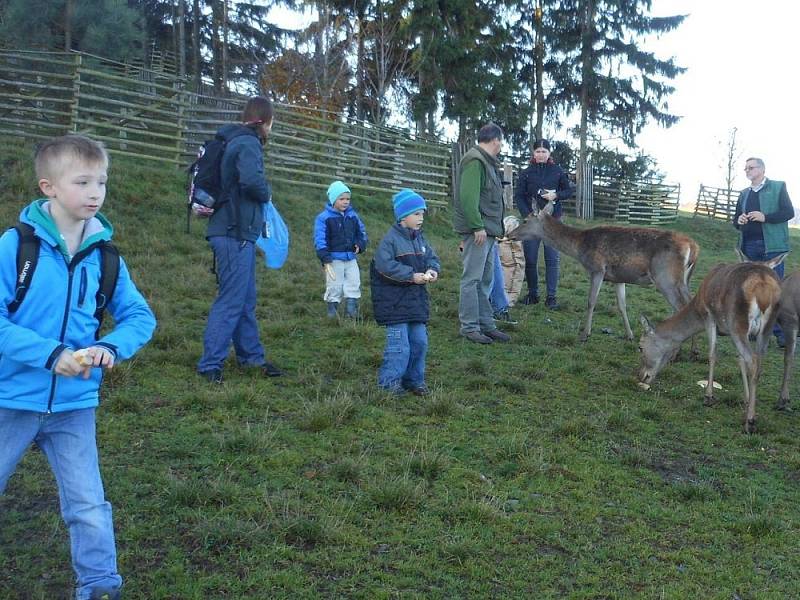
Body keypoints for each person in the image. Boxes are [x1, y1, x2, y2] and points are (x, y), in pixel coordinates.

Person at [0, 135, 156, 600]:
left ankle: (100, 586)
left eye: (102, 182)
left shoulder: (106, 255)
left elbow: (140, 317)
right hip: (10, 399)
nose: (95, 192)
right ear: (48, 186)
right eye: (82, 181)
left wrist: (110, 346)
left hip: (74, 405)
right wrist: (47, 354)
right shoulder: (15, 248)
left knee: (88, 504)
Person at [196, 96, 284, 383]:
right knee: (232, 300)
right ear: (265, 121)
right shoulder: (248, 143)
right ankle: (210, 365)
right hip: (234, 233)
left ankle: (251, 358)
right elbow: (251, 182)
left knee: (245, 299)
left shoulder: (235, 139)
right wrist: (266, 192)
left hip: (233, 231)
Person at [371, 189, 440, 396]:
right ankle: (389, 384)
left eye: (422, 214)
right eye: (416, 214)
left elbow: (432, 258)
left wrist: (432, 270)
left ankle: (414, 380)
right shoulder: (389, 241)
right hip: (394, 305)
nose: (421, 218)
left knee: (419, 343)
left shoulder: (421, 239)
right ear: (403, 217)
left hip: (416, 303)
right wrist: (412, 276)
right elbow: (384, 267)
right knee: (399, 347)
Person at [453, 122, 511, 344]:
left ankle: (486, 324)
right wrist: (477, 226)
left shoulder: (486, 162)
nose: (501, 145)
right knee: (472, 279)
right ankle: (469, 327)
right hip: (478, 231)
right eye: (501, 141)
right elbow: (468, 197)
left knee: (485, 279)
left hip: (487, 232)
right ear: (495, 140)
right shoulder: (475, 161)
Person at [733, 156, 794, 347]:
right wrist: (739, 221)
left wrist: (764, 216)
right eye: (745, 169)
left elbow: (788, 213)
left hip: (772, 248)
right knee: (752, 289)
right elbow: (735, 220)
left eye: (750, 168)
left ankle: (780, 333)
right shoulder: (744, 194)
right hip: (749, 248)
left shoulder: (778, 187)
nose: (747, 171)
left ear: (762, 169)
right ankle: (754, 328)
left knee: (775, 290)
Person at [514, 138, 574, 309]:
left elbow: (569, 190)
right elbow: (519, 195)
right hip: (532, 222)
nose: (541, 154)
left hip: (552, 221)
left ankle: (551, 297)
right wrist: (526, 214)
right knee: (530, 258)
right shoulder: (526, 173)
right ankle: (533, 293)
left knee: (552, 259)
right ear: (533, 153)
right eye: (538, 151)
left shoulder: (557, 172)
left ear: (549, 153)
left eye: (544, 151)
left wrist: (556, 196)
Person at [313, 180, 368, 319]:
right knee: (334, 285)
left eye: (348, 199)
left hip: (351, 258)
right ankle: (332, 312)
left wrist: (360, 244)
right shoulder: (323, 218)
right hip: (333, 259)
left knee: (354, 282)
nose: (345, 202)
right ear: (333, 199)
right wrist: (324, 255)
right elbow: (319, 238)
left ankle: (351, 310)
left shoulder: (353, 216)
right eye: (341, 199)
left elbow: (361, 232)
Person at [497, 215, 526, 307]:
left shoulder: (498, 242)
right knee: (512, 278)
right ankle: (508, 301)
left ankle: (503, 299)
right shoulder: (516, 243)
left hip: (506, 262)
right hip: (512, 264)